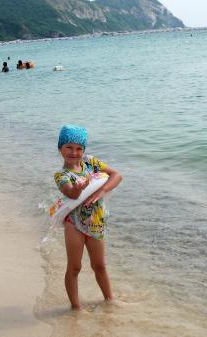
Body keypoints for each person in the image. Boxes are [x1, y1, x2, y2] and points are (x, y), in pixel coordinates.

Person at [54, 125, 123, 310]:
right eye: (68, 147)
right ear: (60, 148)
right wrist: (78, 187)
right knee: (75, 267)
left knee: (99, 266)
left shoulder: (91, 162)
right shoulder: (61, 175)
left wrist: (102, 191)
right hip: (74, 224)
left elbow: (117, 175)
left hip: (96, 222)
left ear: (84, 150)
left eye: (79, 148)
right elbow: (72, 194)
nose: (74, 152)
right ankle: (76, 308)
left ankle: (110, 300)